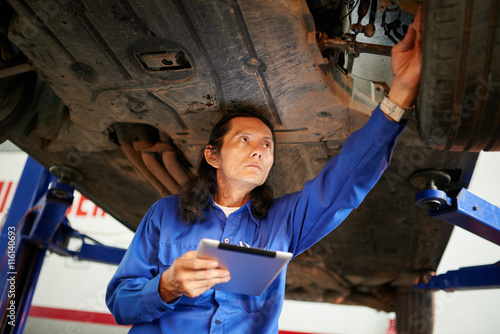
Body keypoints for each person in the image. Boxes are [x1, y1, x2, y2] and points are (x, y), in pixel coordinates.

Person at [106, 6, 423, 333]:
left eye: (267, 145)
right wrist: (166, 285)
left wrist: (400, 93)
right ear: (213, 156)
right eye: (244, 140)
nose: (259, 149)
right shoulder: (165, 214)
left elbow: (345, 182)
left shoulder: (284, 221)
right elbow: (120, 303)